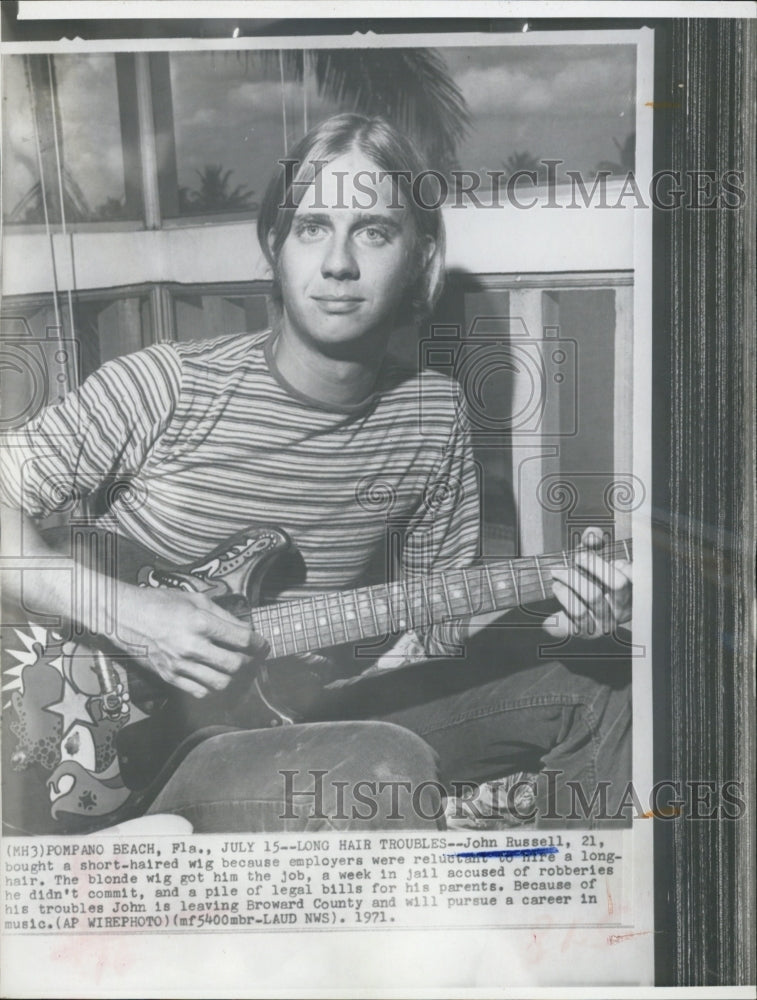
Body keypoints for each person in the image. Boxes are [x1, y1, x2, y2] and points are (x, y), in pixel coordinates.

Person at [0, 113, 632, 835]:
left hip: (295, 709)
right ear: (275, 247)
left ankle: (557, 897)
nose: (338, 263)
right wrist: (126, 613)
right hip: (141, 745)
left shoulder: (433, 414)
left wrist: (561, 610)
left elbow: (435, 633)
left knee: (601, 682)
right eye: (311, 227)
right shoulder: (167, 385)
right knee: (378, 769)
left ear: (421, 257)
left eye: (373, 231)